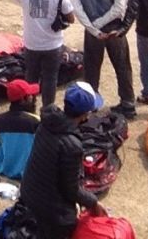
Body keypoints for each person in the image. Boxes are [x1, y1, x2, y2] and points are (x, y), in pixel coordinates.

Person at [20, 82, 109, 239]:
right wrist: (93, 202)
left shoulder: (47, 122)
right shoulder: (72, 145)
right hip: (49, 211)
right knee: (66, 223)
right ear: (85, 115)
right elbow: (71, 189)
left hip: (29, 193)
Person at [68, 0, 137, 118]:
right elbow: (119, 7)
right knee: (123, 67)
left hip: (92, 32)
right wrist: (103, 24)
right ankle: (128, 104)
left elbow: (78, 10)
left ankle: (90, 105)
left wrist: (95, 28)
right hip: (115, 29)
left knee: (91, 69)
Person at [13, 0, 75, 107]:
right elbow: (71, 18)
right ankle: (48, 110)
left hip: (31, 45)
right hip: (53, 45)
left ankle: (29, 107)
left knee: (30, 78)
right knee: (50, 79)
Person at [0, 78, 41, 180]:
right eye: (30, 96)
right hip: (29, 172)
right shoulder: (36, 121)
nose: (34, 98)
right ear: (24, 99)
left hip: (3, 168)